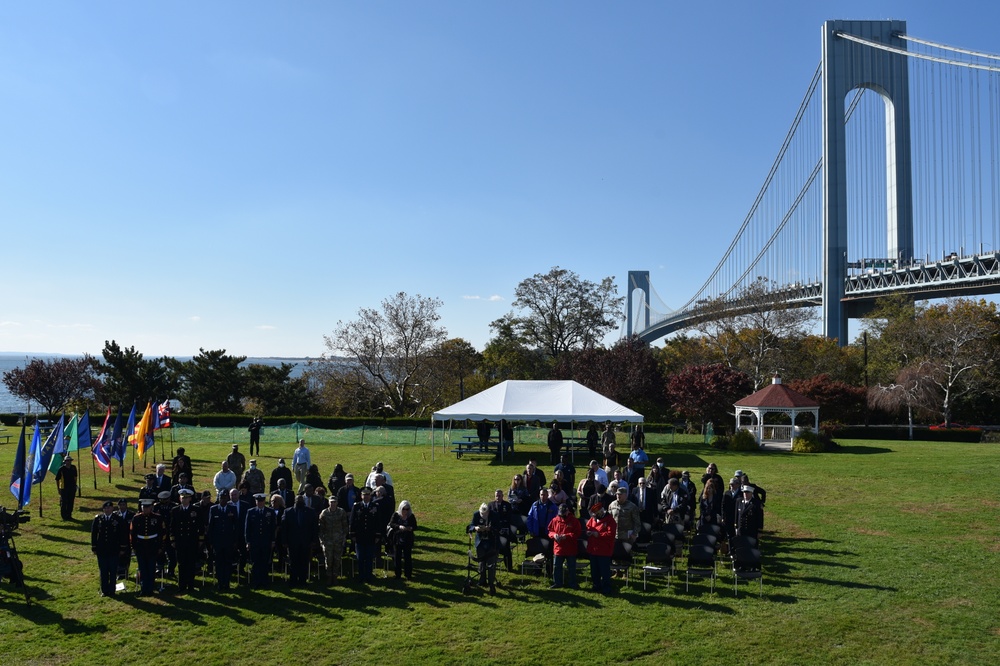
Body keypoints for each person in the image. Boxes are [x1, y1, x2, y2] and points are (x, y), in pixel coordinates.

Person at [170, 488, 203, 593]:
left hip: (191, 542)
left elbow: (200, 526)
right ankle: (181, 586)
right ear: (180, 498)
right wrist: (173, 540)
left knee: (191, 564)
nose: (184, 499)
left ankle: (191, 586)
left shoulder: (196, 510)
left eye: (186, 498)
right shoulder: (175, 510)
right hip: (180, 542)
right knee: (181, 564)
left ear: (190, 498)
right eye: (182, 498)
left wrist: (200, 539)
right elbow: (172, 527)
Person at [282, 494, 317, 586]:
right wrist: (284, 541)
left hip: (306, 542)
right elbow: (284, 528)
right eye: (298, 500)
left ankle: (302, 580)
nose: (300, 501)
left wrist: (313, 540)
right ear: (295, 501)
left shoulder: (310, 511)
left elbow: (314, 527)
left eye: (301, 500)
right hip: (292, 542)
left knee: (304, 562)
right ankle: (293, 580)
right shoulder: (288, 512)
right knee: (293, 562)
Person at [131, 499, 164, 596]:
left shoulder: (157, 518)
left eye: (147, 507)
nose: (145, 509)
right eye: (143, 507)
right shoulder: (136, 518)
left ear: (151, 508)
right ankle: (143, 588)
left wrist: (160, 546)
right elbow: (132, 533)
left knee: (151, 568)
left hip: (152, 546)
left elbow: (162, 533)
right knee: (143, 569)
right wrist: (134, 546)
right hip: (141, 546)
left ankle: (150, 589)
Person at [92, 500, 124, 597]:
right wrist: (94, 547)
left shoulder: (118, 519)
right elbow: (94, 533)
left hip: (113, 549)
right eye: (105, 508)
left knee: (113, 571)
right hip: (102, 550)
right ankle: (104, 590)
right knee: (103, 571)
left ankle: (112, 590)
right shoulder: (98, 519)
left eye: (109, 507)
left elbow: (122, 534)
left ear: (112, 508)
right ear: (103, 509)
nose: (107, 509)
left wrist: (122, 547)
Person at [208, 490, 238, 591]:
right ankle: (220, 583)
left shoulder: (232, 509)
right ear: (219, 498)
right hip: (218, 542)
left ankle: (227, 582)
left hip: (229, 541)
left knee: (228, 563)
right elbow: (210, 527)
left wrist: (234, 541)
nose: (223, 500)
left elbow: (236, 525)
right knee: (219, 563)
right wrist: (211, 542)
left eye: (225, 498)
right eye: (222, 498)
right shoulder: (214, 509)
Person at [467, 502, 500, 595]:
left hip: (491, 543)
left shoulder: (495, 515)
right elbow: (471, 526)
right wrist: (476, 528)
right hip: (480, 542)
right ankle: (482, 580)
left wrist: (490, 529)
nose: (483, 516)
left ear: (488, 512)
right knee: (481, 562)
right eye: (482, 514)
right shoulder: (476, 514)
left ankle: (491, 583)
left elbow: (498, 528)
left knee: (491, 564)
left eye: (485, 514)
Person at [245, 492, 276, 588]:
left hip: (266, 541)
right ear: (255, 501)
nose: (260, 503)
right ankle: (256, 581)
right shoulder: (251, 512)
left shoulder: (270, 512)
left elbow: (273, 528)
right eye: (258, 501)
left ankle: (264, 581)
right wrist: (248, 541)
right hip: (255, 542)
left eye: (261, 501)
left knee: (265, 562)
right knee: (256, 562)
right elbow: (247, 528)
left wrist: (273, 540)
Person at [548, 502, 581, 589]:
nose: (562, 516)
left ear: (567, 511)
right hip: (558, 548)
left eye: (563, 514)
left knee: (571, 567)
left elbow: (577, 533)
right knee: (557, 567)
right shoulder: (555, 520)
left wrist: (566, 536)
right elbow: (550, 531)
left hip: (570, 548)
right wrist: (554, 535)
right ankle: (557, 583)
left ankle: (572, 584)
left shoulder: (574, 521)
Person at [350, 486, 380, 584]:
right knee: (360, 558)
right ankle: (361, 576)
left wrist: (377, 535)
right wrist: (353, 534)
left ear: (370, 496)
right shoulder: (357, 506)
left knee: (369, 558)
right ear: (361, 496)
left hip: (371, 536)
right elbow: (352, 521)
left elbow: (378, 522)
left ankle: (369, 576)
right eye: (364, 495)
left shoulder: (375, 506)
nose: (366, 497)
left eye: (368, 495)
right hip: (360, 536)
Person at [585, 502, 617, 594]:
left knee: (604, 571)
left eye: (596, 514)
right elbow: (588, 526)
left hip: (604, 550)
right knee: (594, 570)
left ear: (600, 512)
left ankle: (606, 588)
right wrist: (588, 532)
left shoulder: (610, 521)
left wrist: (598, 534)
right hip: (593, 549)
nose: (594, 516)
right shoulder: (593, 519)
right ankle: (596, 585)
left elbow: (611, 534)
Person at [318, 496, 349, 584]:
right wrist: (322, 540)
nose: (333, 504)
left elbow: (345, 526)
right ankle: (329, 576)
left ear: (337, 503)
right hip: (327, 540)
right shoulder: (324, 513)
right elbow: (321, 528)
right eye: (331, 502)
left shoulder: (341, 512)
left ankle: (335, 576)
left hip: (338, 540)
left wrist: (343, 538)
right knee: (328, 559)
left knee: (337, 559)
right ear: (329, 503)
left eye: (334, 502)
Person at [387, 500, 417, 580]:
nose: (405, 511)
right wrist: (399, 527)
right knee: (397, 557)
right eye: (404, 509)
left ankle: (408, 574)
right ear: (401, 508)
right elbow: (391, 524)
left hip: (408, 539)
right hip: (397, 539)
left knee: (408, 557)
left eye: (407, 509)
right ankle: (398, 574)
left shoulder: (411, 516)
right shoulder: (396, 515)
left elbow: (415, 526)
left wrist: (411, 528)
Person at [488, 489, 515, 571]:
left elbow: (509, 517)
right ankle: (491, 565)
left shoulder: (507, 505)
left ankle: (509, 567)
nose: (498, 497)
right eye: (497, 495)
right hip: (493, 531)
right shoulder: (490, 505)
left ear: (502, 496)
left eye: (500, 495)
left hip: (504, 530)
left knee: (506, 549)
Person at [55, 455, 78, 520]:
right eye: (67, 461)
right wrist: (58, 489)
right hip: (64, 488)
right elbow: (57, 479)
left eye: (69, 460)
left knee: (71, 502)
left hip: (72, 488)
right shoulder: (61, 469)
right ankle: (64, 516)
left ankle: (69, 515)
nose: (68, 462)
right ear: (65, 461)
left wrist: (75, 486)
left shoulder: (73, 467)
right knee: (64, 502)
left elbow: (75, 477)